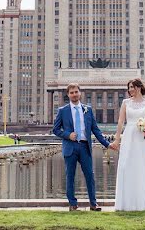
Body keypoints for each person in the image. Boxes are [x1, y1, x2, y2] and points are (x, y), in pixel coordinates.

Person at [52, 83, 116, 211]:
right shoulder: (62, 111)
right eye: (71, 92)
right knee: (70, 176)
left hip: (85, 147)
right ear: (68, 95)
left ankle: (93, 203)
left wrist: (107, 144)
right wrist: (68, 135)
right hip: (70, 147)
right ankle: (72, 203)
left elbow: (95, 130)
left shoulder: (88, 109)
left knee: (90, 175)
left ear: (80, 93)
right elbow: (55, 129)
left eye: (76, 92)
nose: (74, 94)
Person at [111, 78, 145, 211]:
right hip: (128, 136)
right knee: (126, 166)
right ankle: (127, 202)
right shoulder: (125, 103)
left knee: (143, 166)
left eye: (132, 87)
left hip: (142, 137)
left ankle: (144, 202)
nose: (130, 90)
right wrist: (117, 139)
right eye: (129, 87)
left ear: (138, 87)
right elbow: (121, 121)